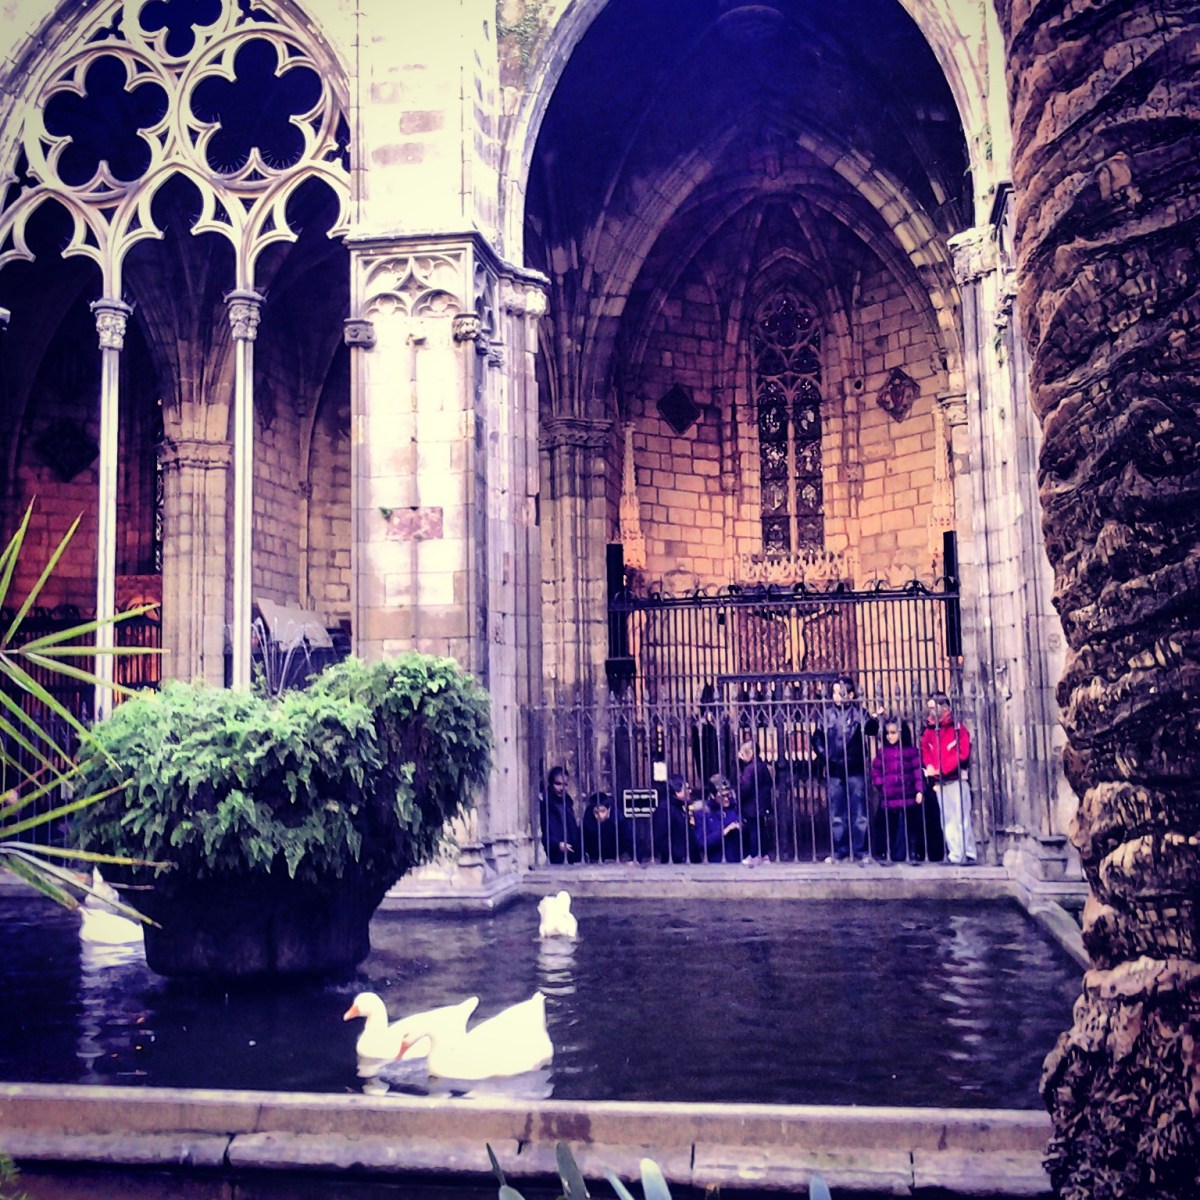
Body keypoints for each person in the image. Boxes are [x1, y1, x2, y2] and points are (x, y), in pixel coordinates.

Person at [812, 676, 879, 863]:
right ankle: (839, 851)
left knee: (859, 814)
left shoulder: (859, 713)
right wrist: (827, 757)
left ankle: (861, 851)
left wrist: (874, 718)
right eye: (834, 692)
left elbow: (872, 730)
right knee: (837, 814)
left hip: (855, 767)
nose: (836, 696)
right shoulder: (826, 714)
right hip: (835, 769)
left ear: (850, 694)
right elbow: (816, 739)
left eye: (840, 692)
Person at [921, 692, 977, 865]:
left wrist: (942, 769)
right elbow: (925, 751)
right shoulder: (929, 731)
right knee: (947, 820)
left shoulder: (958, 729)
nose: (930, 712)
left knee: (962, 817)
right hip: (940, 780)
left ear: (944, 707)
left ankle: (968, 853)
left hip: (956, 778)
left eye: (933, 707)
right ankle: (955, 854)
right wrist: (931, 767)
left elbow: (962, 754)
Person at [870, 716, 925, 863]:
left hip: (908, 795)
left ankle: (912, 853)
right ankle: (888, 853)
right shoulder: (882, 752)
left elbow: (917, 772)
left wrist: (919, 790)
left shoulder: (911, 752)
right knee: (888, 827)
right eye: (888, 733)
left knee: (911, 827)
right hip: (890, 796)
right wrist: (881, 784)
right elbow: (876, 770)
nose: (890, 736)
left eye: (893, 733)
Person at [692, 773, 743, 863]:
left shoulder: (734, 807)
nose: (726, 799)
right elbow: (702, 842)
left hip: (736, 860)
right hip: (715, 862)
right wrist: (724, 831)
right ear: (712, 795)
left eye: (728, 795)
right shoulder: (703, 812)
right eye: (722, 796)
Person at [736, 740, 774, 861]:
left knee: (753, 830)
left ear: (751, 753)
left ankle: (754, 855)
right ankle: (764, 854)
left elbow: (745, 787)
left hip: (751, 805)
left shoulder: (749, 769)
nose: (741, 757)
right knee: (761, 829)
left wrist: (739, 798)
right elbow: (769, 783)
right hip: (762, 804)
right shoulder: (762, 766)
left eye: (743, 754)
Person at [540, 767, 581, 864]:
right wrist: (556, 844)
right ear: (551, 783)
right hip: (553, 853)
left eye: (565, 784)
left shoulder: (568, 801)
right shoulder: (544, 802)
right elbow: (543, 829)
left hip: (571, 850)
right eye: (558, 784)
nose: (562, 788)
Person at [652, 773, 692, 863]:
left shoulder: (678, 806)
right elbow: (661, 838)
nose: (690, 791)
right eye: (687, 788)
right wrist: (679, 855)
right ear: (677, 792)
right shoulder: (665, 809)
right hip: (674, 862)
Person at [582, 791, 621, 862]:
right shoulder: (588, 818)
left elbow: (628, 838)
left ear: (608, 809)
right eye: (596, 812)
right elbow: (584, 838)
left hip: (616, 854)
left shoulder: (618, 818)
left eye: (602, 811)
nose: (599, 815)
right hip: (595, 856)